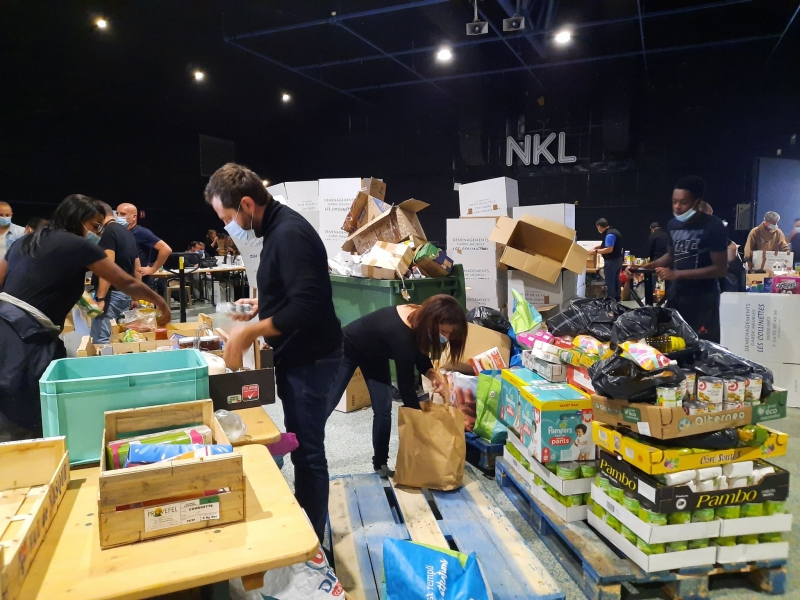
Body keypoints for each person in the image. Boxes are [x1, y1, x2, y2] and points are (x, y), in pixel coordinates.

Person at [204, 163, 342, 543]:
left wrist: (251, 331)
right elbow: (290, 288)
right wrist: (261, 304)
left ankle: (311, 543)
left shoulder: (289, 233)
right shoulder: (276, 229)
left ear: (247, 204)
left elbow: (308, 307)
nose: (229, 225)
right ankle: (306, 527)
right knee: (301, 444)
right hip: (297, 355)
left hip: (313, 359)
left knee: (309, 452)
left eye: (229, 217)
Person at [0, 195, 169, 438]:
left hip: (5, 326)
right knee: (26, 418)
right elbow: (124, 280)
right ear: (79, 221)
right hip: (27, 339)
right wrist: (160, 302)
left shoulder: (24, 242)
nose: (97, 232)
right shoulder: (77, 245)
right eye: (95, 225)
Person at [325, 296, 467, 478]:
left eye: (449, 334)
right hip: (349, 347)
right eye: (444, 332)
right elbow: (406, 387)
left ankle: (380, 464)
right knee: (327, 404)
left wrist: (432, 373)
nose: (445, 338)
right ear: (432, 322)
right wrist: (420, 423)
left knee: (383, 411)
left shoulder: (420, 321)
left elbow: (419, 352)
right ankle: (310, 458)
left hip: (375, 354)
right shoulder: (401, 334)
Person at [640, 176, 727, 342]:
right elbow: (670, 256)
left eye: (683, 202)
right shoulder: (673, 225)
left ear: (696, 202)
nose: (677, 207)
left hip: (703, 297)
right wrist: (644, 268)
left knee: (703, 348)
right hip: (677, 295)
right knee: (674, 343)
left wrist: (677, 274)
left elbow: (720, 269)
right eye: (674, 201)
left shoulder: (714, 226)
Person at [90, 202, 143, 343]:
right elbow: (137, 269)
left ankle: (105, 365)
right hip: (125, 294)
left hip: (110, 296)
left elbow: (108, 267)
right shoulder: (129, 234)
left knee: (101, 340)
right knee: (120, 339)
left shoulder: (109, 233)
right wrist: (135, 297)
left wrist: (100, 298)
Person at [116, 203, 172, 287]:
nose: (118, 217)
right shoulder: (120, 232)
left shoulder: (141, 232)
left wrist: (152, 269)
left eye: (123, 214)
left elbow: (166, 249)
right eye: (117, 214)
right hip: (123, 281)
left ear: (134, 217)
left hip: (140, 283)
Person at [591, 218, 623, 302]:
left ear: (599, 227)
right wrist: (596, 247)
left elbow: (609, 249)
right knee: (616, 280)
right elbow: (605, 245)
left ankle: (611, 300)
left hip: (612, 261)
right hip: (618, 260)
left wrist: (595, 252)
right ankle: (617, 298)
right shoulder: (613, 231)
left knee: (610, 281)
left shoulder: (609, 235)